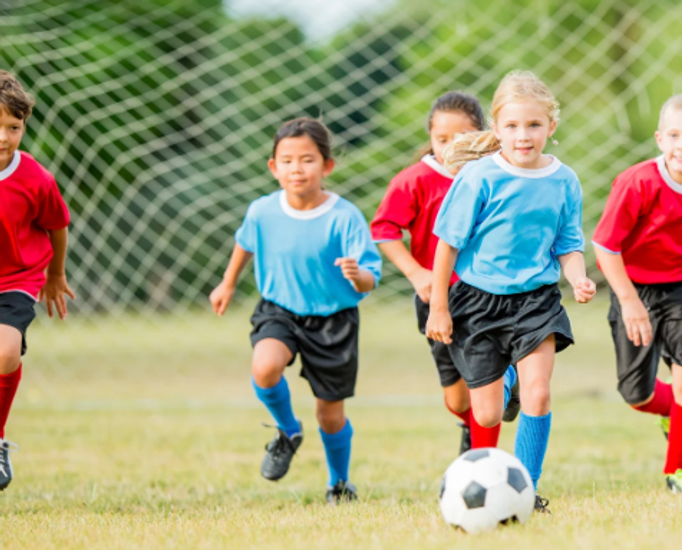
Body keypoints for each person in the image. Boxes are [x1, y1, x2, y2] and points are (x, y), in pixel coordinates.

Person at [426, 71, 596, 513]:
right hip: (478, 303)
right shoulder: (479, 177)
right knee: (485, 414)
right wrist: (439, 307)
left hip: (536, 302)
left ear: (551, 127)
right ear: (497, 129)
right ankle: (506, 387)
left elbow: (568, 244)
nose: (524, 136)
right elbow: (447, 244)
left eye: (534, 125)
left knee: (539, 392)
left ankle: (526, 490)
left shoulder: (564, 180)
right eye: (513, 126)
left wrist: (578, 277)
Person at [209, 118, 381, 504]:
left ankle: (339, 483)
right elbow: (245, 243)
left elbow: (371, 277)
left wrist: (358, 276)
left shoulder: (345, 216)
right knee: (264, 367)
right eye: (287, 161)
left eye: (307, 160)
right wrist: (228, 282)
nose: (296, 169)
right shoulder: (262, 211)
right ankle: (288, 430)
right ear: (274, 167)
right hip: (280, 310)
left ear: (327, 166)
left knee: (329, 415)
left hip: (334, 320)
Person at [593, 94, 682, 494]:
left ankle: (680, 471)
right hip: (634, 288)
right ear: (659, 139)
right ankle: (679, 412)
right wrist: (629, 301)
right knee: (636, 394)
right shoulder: (638, 182)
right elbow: (605, 246)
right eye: (673, 135)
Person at [371, 91, 518, 455]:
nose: (452, 147)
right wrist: (416, 273)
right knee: (457, 399)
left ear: (482, 135)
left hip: (488, 296)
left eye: (462, 138)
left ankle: (486, 460)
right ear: (430, 138)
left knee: (486, 387)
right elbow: (384, 229)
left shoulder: (498, 175)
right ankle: (472, 427)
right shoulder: (414, 180)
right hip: (439, 298)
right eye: (442, 139)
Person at [0, 71, 74, 491]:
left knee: (6, 354)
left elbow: (57, 225)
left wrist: (56, 275)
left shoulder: (36, 178)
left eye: (14, 127)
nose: (4, 137)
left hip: (17, 277)